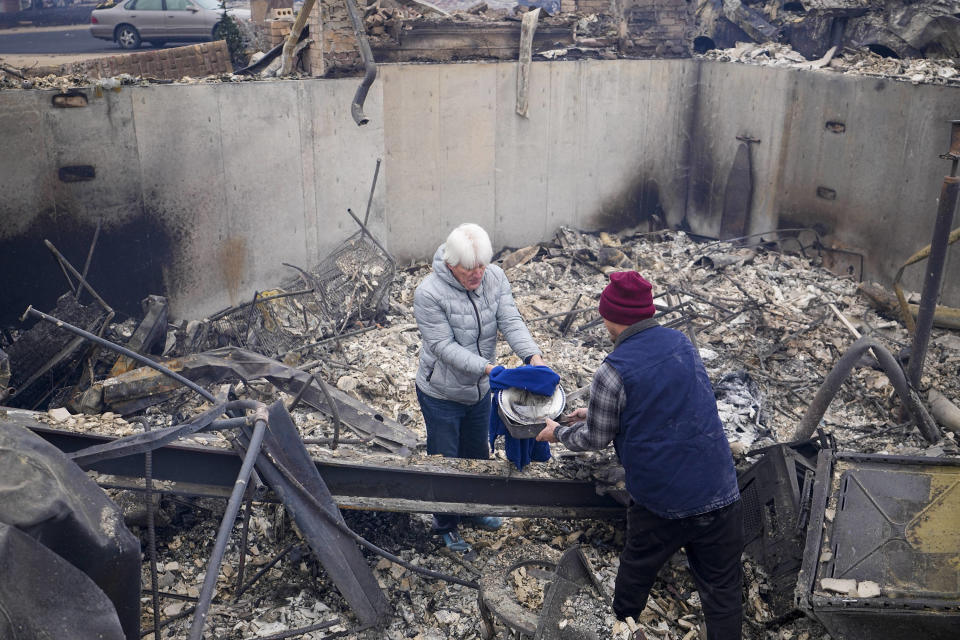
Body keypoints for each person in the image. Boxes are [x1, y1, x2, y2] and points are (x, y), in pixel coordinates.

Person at [536, 271, 743, 640]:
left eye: (604, 316)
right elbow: (675, 405)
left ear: (613, 318)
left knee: (636, 572)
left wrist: (559, 432)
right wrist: (607, 413)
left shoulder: (613, 370)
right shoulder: (681, 344)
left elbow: (597, 438)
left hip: (663, 501)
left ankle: (622, 625)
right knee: (723, 590)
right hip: (720, 490)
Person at [414, 223, 546, 553]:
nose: (478, 275)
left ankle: (473, 511)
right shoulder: (429, 293)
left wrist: (532, 354)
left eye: (482, 266)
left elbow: (510, 319)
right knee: (446, 460)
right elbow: (443, 346)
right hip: (441, 392)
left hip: (479, 390)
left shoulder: (495, 278)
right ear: (450, 264)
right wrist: (489, 368)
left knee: (477, 453)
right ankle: (445, 523)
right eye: (469, 270)